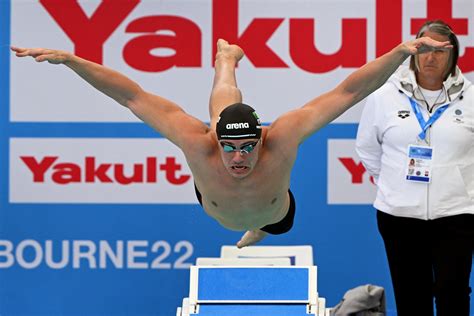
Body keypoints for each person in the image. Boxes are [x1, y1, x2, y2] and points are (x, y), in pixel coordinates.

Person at [12, 37, 451, 248]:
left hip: (275, 214)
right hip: (214, 198)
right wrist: (73, 61)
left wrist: (398, 53)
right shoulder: (200, 140)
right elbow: (131, 95)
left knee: (276, 221)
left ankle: (226, 60)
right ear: (215, 139)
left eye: (248, 147)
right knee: (223, 102)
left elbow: (348, 92)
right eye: (230, 146)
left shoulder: (281, 137)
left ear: (262, 138)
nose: (239, 157)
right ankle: (226, 61)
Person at [356, 20, 473, 316]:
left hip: (457, 215)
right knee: (411, 299)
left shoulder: (471, 98)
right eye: (424, 49)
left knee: (454, 297)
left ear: (453, 55)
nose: (430, 57)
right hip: (399, 216)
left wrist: (463, 187)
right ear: (412, 52)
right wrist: (395, 183)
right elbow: (367, 148)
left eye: (439, 50)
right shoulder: (384, 95)